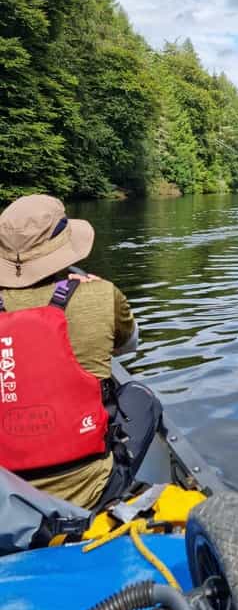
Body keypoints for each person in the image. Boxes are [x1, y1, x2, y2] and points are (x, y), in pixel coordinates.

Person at [0, 194, 162, 510]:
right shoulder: (100, 293)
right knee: (141, 396)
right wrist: (96, 296)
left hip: (7, 500)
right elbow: (129, 344)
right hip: (92, 490)